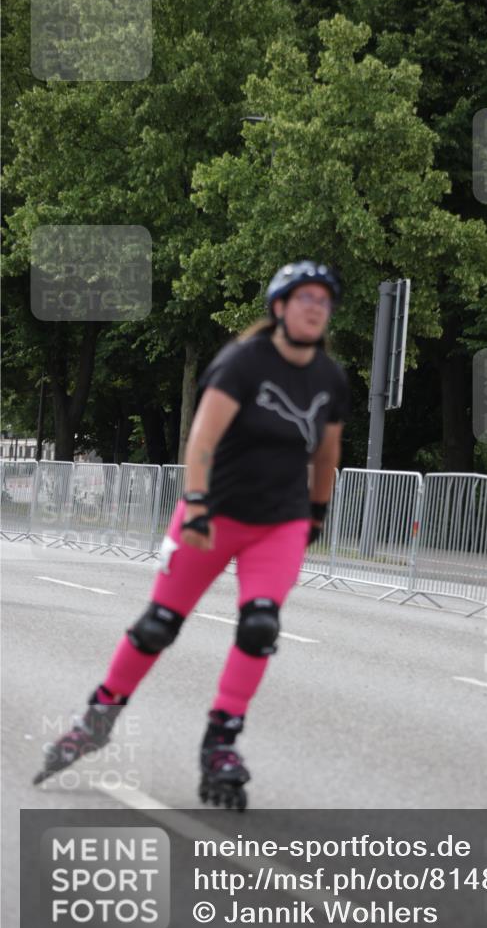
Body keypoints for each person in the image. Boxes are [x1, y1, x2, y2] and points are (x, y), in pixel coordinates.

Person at [34, 260, 350, 809]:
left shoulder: (330, 378)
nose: (315, 308)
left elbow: (327, 453)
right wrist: (198, 504)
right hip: (214, 513)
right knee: (159, 625)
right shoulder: (243, 362)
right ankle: (99, 717)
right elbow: (202, 439)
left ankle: (220, 744)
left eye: (324, 301)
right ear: (279, 306)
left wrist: (317, 512)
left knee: (260, 626)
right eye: (305, 297)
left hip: (279, 521)